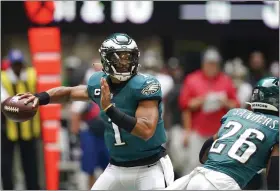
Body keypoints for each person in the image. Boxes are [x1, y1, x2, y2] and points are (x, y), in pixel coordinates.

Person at [17, 33, 174, 190]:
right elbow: (69, 93)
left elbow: (146, 130)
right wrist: (40, 97)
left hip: (150, 166)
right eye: (119, 57)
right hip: (117, 167)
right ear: (106, 58)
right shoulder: (99, 82)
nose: (124, 62)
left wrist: (109, 109)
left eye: (128, 57)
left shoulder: (145, 85)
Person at [166, 77, 279, 190]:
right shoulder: (276, 125)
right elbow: (274, 175)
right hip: (224, 185)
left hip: (198, 177)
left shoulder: (235, 113)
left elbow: (204, 155)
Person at [179, 47, 239, 174]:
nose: (212, 67)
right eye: (209, 63)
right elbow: (185, 106)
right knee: (193, 166)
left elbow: (236, 106)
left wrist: (224, 102)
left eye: (214, 64)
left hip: (221, 133)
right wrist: (203, 100)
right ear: (203, 64)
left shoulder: (225, 80)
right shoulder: (192, 79)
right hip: (197, 131)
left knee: (219, 168)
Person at [1, 49, 40, 189]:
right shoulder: (3, 78)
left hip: (29, 128)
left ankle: (33, 187)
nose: (17, 67)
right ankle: (8, 188)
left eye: (19, 64)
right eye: (15, 64)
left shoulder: (31, 75)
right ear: (10, 64)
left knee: (31, 164)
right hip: (8, 129)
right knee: (6, 164)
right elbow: (4, 102)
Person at [71, 62, 109, 189]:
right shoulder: (87, 91)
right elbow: (75, 114)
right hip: (90, 134)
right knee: (90, 168)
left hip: (106, 134)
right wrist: (76, 137)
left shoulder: (110, 91)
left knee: (109, 168)